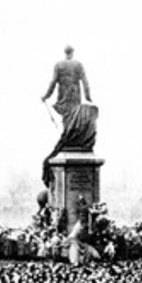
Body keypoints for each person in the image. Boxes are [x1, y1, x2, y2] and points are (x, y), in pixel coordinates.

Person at [41, 46, 98, 184]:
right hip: (74, 94)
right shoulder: (78, 65)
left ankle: (69, 139)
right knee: (73, 119)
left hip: (64, 95)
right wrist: (89, 97)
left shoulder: (59, 65)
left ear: (65, 53)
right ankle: (71, 139)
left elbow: (53, 82)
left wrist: (46, 96)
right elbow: (85, 82)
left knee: (67, 120)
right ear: (72, 53)